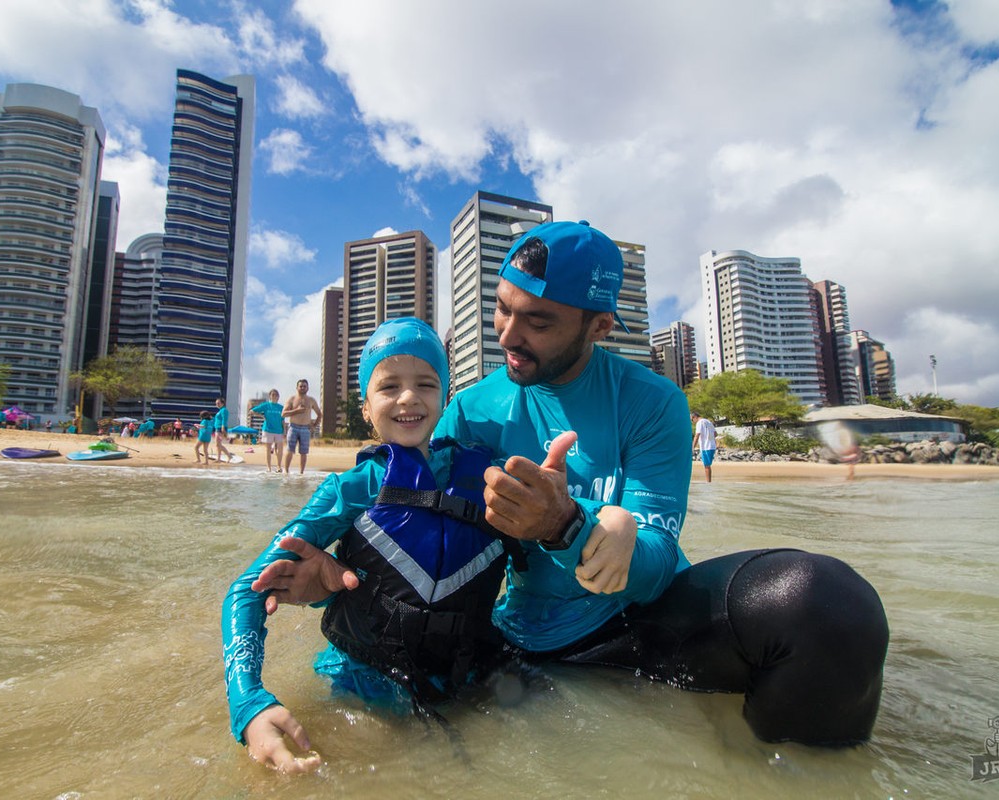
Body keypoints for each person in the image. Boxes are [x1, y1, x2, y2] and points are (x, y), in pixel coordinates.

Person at [257, 220, 889, 749]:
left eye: (538, 321)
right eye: (502, 309)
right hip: (525, 642)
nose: (508, 334)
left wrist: (568, 525)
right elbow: (412, 541)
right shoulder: (471, 410)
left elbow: (652, 565)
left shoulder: (650, 403)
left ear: (599, 326)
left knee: (825, 605)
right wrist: (335, 588)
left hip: (646, 625)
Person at [223, 318, 523, 774]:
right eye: (389, 387)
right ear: (365, 406)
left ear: (444, 397)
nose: (408, 397)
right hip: (364, 685)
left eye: (426, 383)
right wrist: (249, 704)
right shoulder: (353, 488)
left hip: (468, 678)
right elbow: (247, 590)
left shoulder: (487, 481)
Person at [282, 379, 322, 474]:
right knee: (289, 449)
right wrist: (297, 411)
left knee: (303, 452)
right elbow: (283, 414)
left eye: (304, 386)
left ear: (307, 388)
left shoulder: (311, 400)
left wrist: (314, 425)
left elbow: (319, 414)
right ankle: (286, 471)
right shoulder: (292, 399)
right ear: (297, 388)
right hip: (293, 427)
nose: (303, 388)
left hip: (305, 428)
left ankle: (301, 473)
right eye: (301, 386)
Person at [251, 389, 287, 473]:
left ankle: (279, 466)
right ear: (270, 396)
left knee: (280, 449)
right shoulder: (266, 405)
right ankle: (269, 467)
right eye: (272, 394)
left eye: (276, 395)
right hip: (268, 430)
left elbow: (283, 421)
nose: (274, 396)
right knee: (268, 449)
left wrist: (284, 431)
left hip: (279, 430)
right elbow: (252, 411)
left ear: (278, 397)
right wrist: (262, 416)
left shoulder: (281, 407)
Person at [691, 411, 717, 482]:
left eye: (692, 420)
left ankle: (708, 483)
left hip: (706, 446)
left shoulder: (699, 423)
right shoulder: (708, 421)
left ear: (695, 417)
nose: (692, 422)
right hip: (712, 446)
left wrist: (693, 447)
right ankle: (709, 481)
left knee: (706, 466)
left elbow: (697, 435)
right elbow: (715, 434)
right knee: (707, 465)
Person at [213, 398, 235, 464]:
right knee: (218, 444)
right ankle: (219, 459)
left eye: (218, 403)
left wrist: (223, 427)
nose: (217, 404)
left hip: (220, 428)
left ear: (222, 403)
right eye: (216, 403)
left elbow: (224, 419)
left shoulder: (224, 410)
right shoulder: (220, 410)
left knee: (218, 444)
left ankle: (229, 456)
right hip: (217, 428)